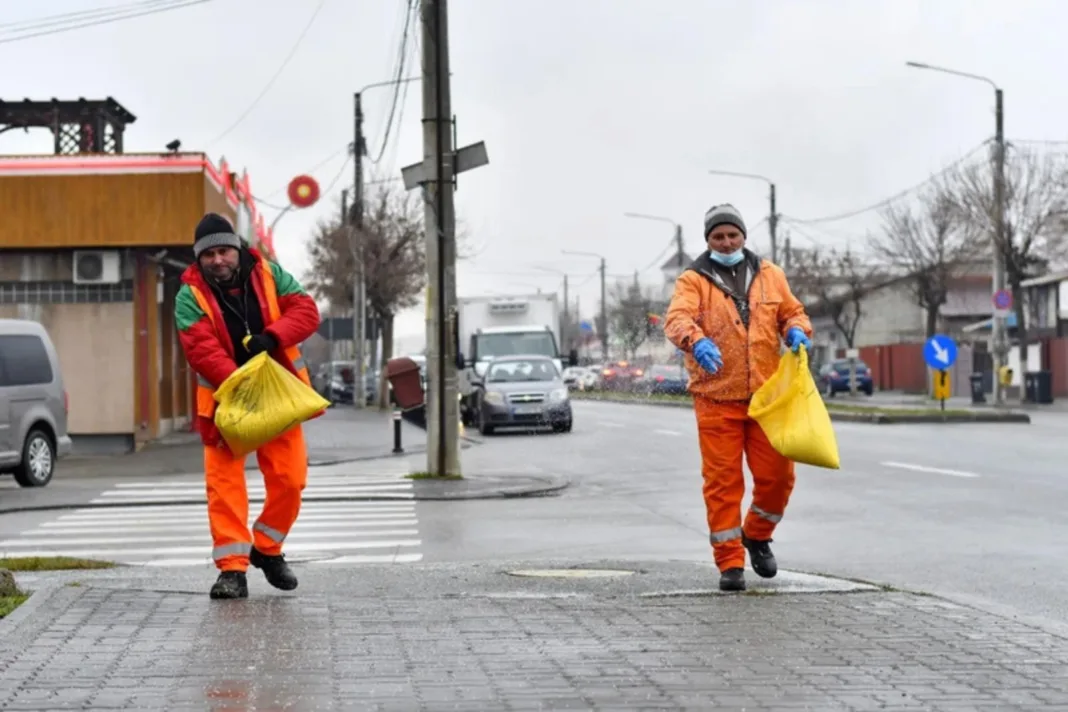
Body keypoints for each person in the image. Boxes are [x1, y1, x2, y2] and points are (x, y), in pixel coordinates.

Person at [664, 203, 813, 592]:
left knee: (778, 477)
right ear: (708, 240)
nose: (726, 241)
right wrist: (695, 341)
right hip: (716, 398)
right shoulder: (693, 280)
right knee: (723, 482)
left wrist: (797, 329)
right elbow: (678, 318)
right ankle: (730, 562)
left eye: (732, 235)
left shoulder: (770, 275)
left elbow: (792, 313)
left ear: (744, 236)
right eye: (718, 236)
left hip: (767, 398)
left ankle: (758, 535)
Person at [175, 213, 322, 600]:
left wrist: (271, 337)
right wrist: (242, 382)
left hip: (277, 399)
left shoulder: (271, 275)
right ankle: (232, 571)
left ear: (237, 249)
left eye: (224, 251)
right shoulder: (188, 296)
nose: (217, 260)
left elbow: (306, 312)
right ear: (199, 259)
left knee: (291, 480)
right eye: (208, 255)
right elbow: (200, 349)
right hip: (225, 403)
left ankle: (267, 550)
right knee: (223, 488)